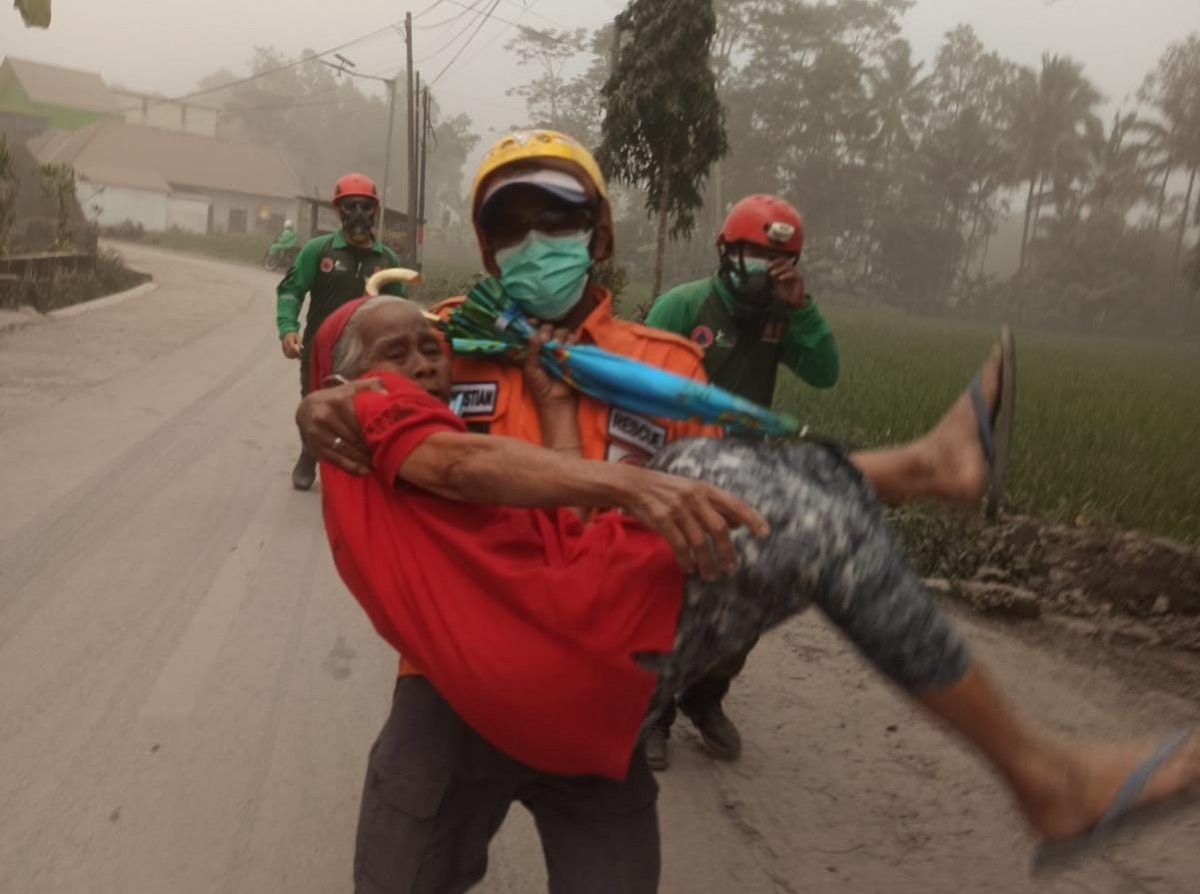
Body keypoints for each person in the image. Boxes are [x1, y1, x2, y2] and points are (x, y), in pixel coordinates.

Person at [311, 293, 1198, 888]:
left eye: (433, 343)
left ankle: (927, 466)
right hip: (562, 657)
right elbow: (460, 462)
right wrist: (635, 485)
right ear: (345, 374)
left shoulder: (488, 396)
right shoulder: (367, 412)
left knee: (753, 481)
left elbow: (548, 517)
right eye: (398, 347)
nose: (426, 357)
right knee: (785, 518)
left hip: (560, 655)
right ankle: (1047, 775)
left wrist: (552, 409)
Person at [300, 130, 715, 894]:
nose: (533, 242)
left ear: (599, 231)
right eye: (510, 227)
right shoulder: (442, 338)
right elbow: (363, 377)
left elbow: (704, 523)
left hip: (595, 690)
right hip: (448, 680)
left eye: (555, 220)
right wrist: (324, 398)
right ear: (489, 252)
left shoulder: (664, 370)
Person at [641, 194, 837, 769]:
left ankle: (706, 696)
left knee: (747, 592)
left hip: (749, 475)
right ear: (725, 251)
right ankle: (652, 711)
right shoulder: (684, 307)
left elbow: (826, 373)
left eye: (777, 257)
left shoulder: (784, 316)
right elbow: (638, 387)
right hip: (679, 464)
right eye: (751, 252)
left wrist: (802, 312)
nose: (762, 265)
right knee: (669, 593)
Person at [275, 173, 406, 492]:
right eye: (351, 206)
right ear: (339, 211)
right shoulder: (318, 252)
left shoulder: (387, 261)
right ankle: (309, 454)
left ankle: (356, 467)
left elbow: (399, 311)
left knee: (364, 412)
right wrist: (288, 329)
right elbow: (291, 291)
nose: (358, 213)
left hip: (366, 353)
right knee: (316, 405)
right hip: (320, 348)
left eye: (365, 206)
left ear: (375, 211)